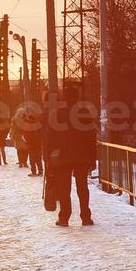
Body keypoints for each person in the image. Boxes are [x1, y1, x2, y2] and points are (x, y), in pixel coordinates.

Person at [45, 85, 97, 226]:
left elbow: (50, 140)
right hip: (82, 157)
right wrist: (93, 158)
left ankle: (64, 218)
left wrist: (48, 159)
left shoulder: (57, 114)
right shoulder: (85, 113)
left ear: (64, 98)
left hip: (63, 158)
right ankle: (86, 217)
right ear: (77, 97)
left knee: (64, 189)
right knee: (82, 188)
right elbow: (92, 137)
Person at [10, 103, 31, 168]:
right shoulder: (23, 118)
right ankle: (23, 162)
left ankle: (22, 162)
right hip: (22, 136)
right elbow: (13, 128)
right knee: (23, 150)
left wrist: (12, 136)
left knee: (22, 150)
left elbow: (12, 128)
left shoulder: (16, 118)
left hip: (21, 136)